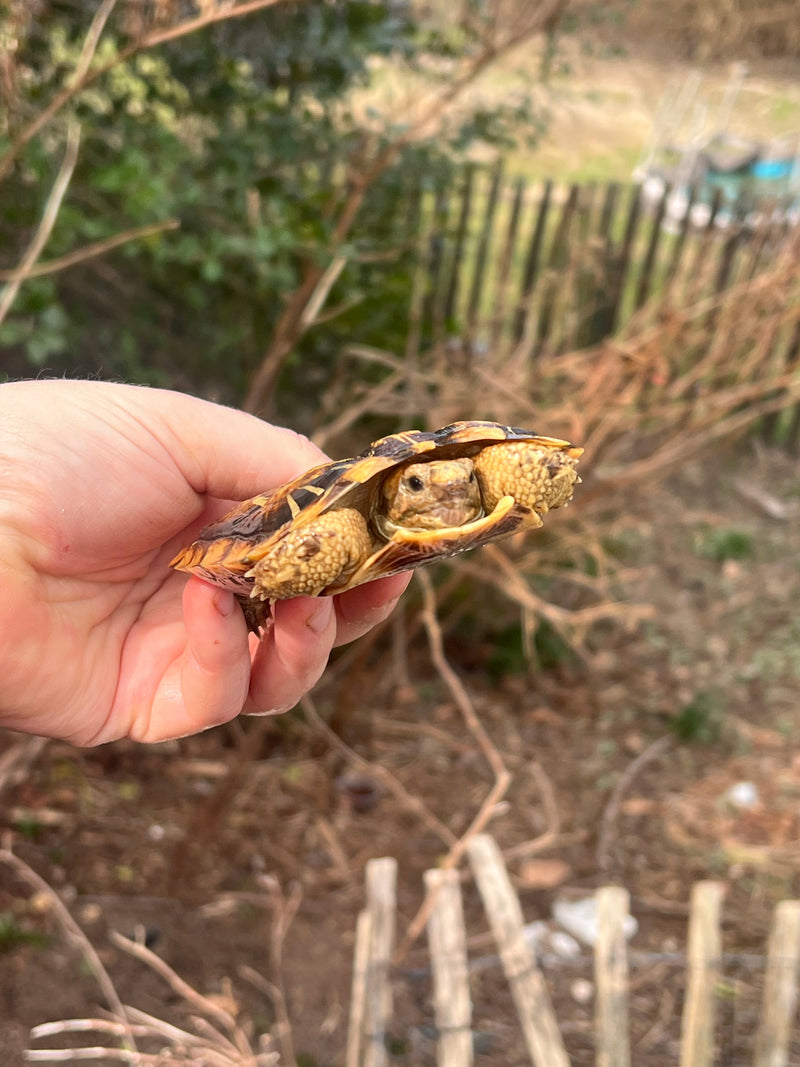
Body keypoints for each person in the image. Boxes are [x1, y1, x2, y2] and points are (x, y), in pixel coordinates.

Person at [0, 379, 409, 746]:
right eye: (415, 482)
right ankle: (262, 589)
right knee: (311, 577)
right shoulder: (349, 521)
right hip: (250, 539)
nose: (445, 492)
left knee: (290, 625)